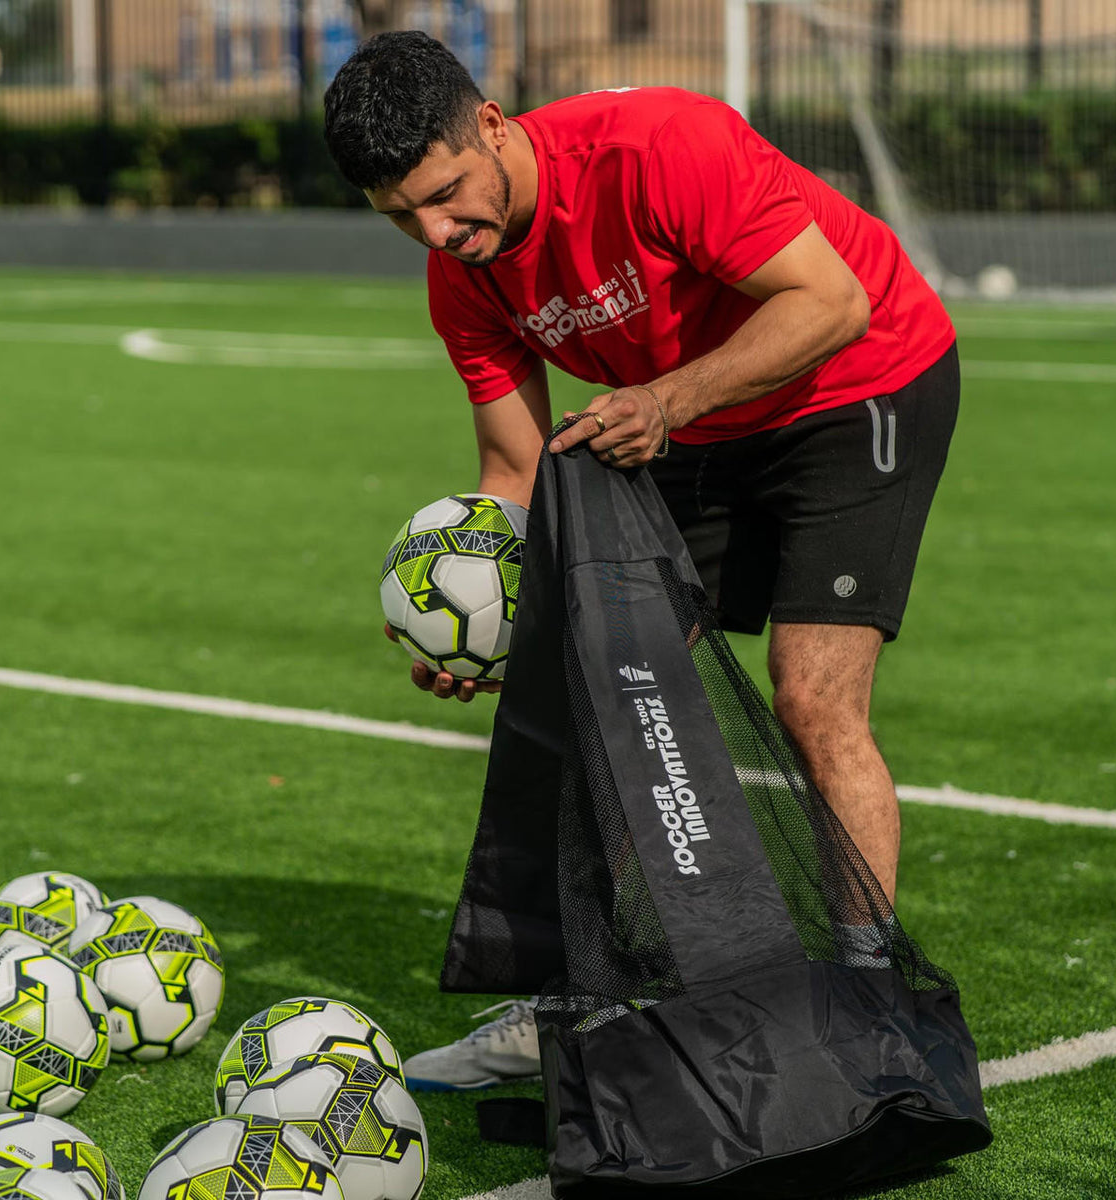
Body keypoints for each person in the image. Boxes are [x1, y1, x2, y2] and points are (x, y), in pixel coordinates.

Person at [323, 30, 960, 1091]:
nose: (438, 231)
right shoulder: (463, 277)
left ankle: (865, 996)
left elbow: (830, 301)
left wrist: (665, 401)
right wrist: (472, 617)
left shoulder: (655, 147)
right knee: (592, 682)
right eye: (401, 218)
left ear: (490, 125)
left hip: (860, 384)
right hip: (685, 422)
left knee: (811, 699)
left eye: (445, 194)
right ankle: (590, 995)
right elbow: (514, 472)